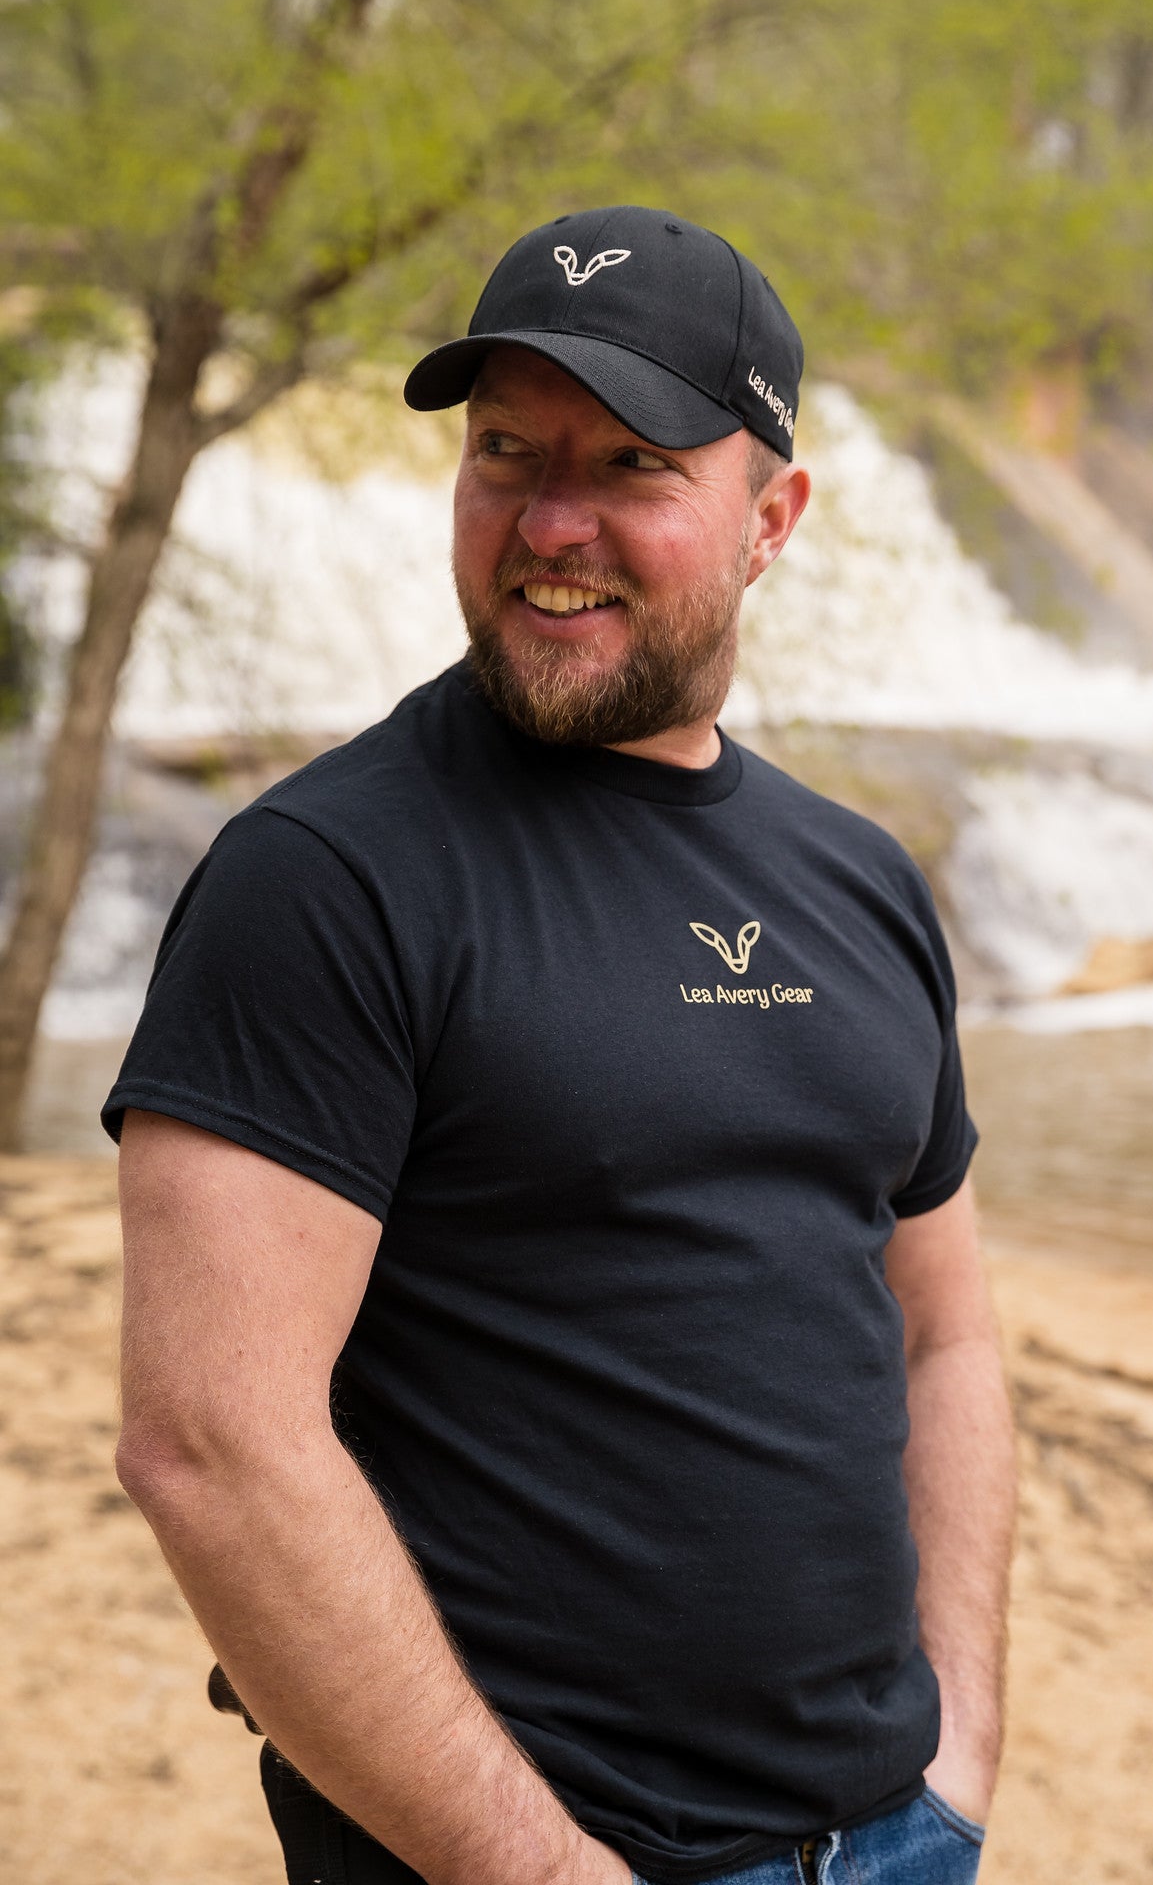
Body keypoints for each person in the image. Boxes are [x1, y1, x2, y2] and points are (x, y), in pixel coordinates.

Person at [107, 205, 1016, 1885]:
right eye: (507, 452)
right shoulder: (326, 879)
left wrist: (952, 1751)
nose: (550, 524)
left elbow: (943, 1335)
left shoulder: (858, 880)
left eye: (630, 467)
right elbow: (210, 1446)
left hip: (890, 1838)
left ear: (771, 518)